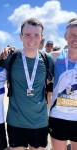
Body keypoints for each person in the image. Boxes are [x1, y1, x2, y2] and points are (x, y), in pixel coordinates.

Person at [1, 18, 54, 150]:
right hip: (16, 121)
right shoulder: (11, 57)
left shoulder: (47, 59)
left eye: (36, 35)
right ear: (20, 37)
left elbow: (51, 83)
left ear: (42, 37)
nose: (32, 40)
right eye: (27, 35)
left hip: (40, 122)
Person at [49, 19, 77, 150]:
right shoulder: (54, 57)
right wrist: (9, 50)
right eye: (72, 34)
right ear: (65, 37)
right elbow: (31, 56)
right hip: (58, 116)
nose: (75, 38)